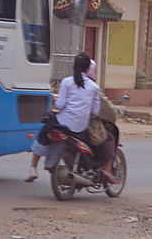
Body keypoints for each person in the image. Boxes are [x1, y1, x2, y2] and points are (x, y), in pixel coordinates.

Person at [25, 53, 106, 183]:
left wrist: (55, 103)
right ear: (87, 69)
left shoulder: (67, 82)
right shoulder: (94, 87)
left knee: (44, 130)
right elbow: (95, 110)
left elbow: (61, 105)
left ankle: (33, 167)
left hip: (63, 123)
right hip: (80, 127)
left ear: (74, 66)